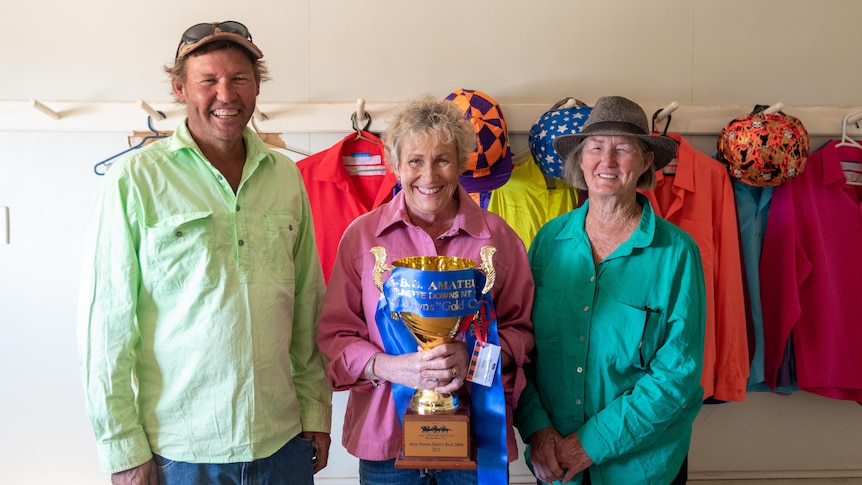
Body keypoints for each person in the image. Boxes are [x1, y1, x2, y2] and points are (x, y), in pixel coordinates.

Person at [77, 21, 331, 485]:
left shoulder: (285, 176)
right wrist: (123, 450)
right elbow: (106, 327)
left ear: (257, 87)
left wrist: (316, 410)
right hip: (180, 453)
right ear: (179, 88)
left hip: (283, 442)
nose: (226, 94)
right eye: (208, 80)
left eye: (239, 79)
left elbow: (307, 306)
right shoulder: (135, 181)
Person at [316, 94, 535, 485]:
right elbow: (335, 336)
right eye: (415, 161)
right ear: (395, 165)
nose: (429, 176)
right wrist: (395, 368)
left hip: (478, 438)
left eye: (443, 160)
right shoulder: (361, 237)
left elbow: (523, 335)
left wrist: (474, 357)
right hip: (386, 443)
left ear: (462, 162)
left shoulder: (498, 238)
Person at [514, 96, 707, 485]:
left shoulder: (677, 253)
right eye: (596, 148)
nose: (608, 161)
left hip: (640, 467)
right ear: (581, 160)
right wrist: (537, 430)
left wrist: (589, 445)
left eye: (623, 149)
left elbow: (677, 375)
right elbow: (524, 347)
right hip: (554, 463)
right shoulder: (549, 241)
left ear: (646, 161)